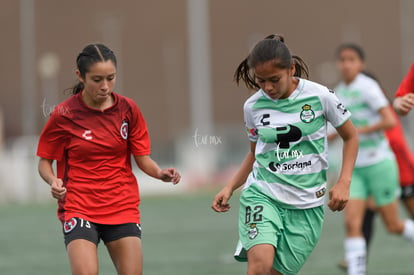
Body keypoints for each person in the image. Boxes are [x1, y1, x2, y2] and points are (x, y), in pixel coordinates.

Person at [211, 34, 359, 275]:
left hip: (307, 203)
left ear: (291, 70)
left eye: (274, 80)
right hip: (263, 194)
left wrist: (344, 181)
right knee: (259, 267)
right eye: (261, 81)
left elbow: (351, 137)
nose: (268, 87)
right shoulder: (252, 107)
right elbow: (254, 153)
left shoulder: (321, 96)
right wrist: (230, 187)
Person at [37, 43, 181, 275]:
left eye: (111, 78)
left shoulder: (129, 110)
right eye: (97, 80)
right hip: (79, 205)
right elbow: (44, 162)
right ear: (80, 76)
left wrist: (159, 173)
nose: (105, 86)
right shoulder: (63, 114)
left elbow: (143, 159)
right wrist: (53, 180)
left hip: (121, 205)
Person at [333, 43, 414, 275]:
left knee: (393, 225)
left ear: (361, 64)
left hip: (380, 164)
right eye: (342, 60)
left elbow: (390, 120)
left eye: (352, 60)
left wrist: (360, 131)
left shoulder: (368, 87)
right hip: (355, 168)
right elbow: (339, 127)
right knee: (352, 224)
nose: (346, 64)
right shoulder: (337, 92)